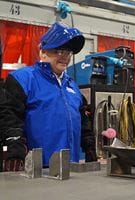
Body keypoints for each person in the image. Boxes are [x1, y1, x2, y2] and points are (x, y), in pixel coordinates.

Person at [0, 22, 97, 171]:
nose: (65, 57)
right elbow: (10, 118)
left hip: (71, 167)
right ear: (43, 52)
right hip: (37, 169)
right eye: (59, 51)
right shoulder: (22, 79)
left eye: (68, 52)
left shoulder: (73, 86)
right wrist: (14, 152)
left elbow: (84, 123)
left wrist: (89, 147)